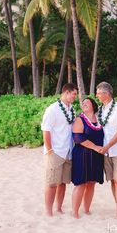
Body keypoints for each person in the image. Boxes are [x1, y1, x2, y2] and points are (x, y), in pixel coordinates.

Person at [41, 83, 78, 216]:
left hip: (68, 151)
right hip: (55, 151)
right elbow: (46, 130)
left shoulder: (72, 109)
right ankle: (48, 211)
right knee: (51, 183)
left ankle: (58, 208)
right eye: (74, 94)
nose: (75, 97)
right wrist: (50, 150)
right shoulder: (53, 109)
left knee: (63, 182)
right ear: (66, 92)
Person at [96, 82, 117, 219]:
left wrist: (108, 146)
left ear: (106, 93)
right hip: (106, 151)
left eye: (98, 93)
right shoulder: (100, 110)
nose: (96, 95)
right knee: (112, 180)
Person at [71, 97, 104, 219]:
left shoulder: (99, 120)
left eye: (87, 102)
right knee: (81, 184)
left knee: (91, 183)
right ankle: (75, 211)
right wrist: (95, 147)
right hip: (82, 154)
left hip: (96, 156)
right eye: (83, 103)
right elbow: (78, 138)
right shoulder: (80, 120)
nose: (84, 104)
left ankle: (86, 209)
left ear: (93, 105)